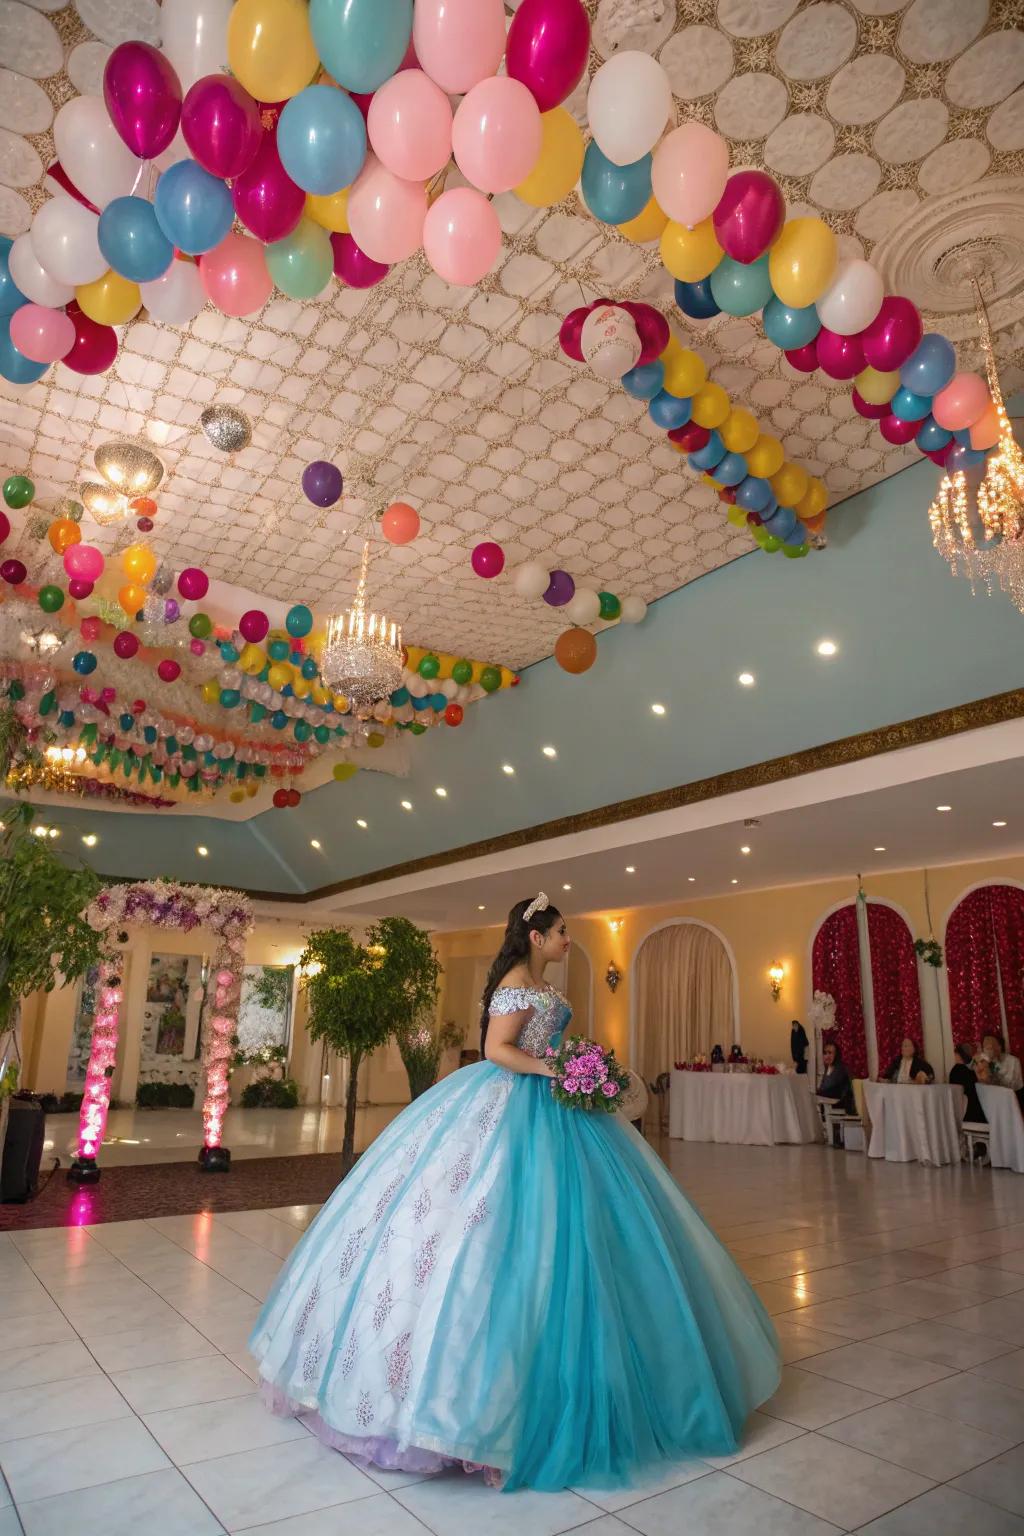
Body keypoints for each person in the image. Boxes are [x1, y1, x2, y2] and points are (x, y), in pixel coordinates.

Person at [249, 893, 780, 1494]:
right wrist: (557, 1070)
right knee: (495, 1223)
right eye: (560, 933)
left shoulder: (543, 986)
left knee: (594, 1229)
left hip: (561, 1105)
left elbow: (540, 1043)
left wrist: (579, 1065)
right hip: (512, 1101)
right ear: (535, 937)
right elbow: (499, 1049)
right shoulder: (514, 985)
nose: (566, 940)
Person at [950, 1042, 986, 1128]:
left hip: (969, 1110)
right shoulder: (969, 1069)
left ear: (959, 1055)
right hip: (977, 1107)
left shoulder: (958, 1069)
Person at [817, 1041, 855, 1114]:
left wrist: (818, 1092)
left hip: (842, 1104)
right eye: (825, 1053)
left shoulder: (840, 1069)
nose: (827, 1056)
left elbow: (831, 1089)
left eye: (830, 1053)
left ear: (836, 1055)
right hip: (830, 1102)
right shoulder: (828, 1068)